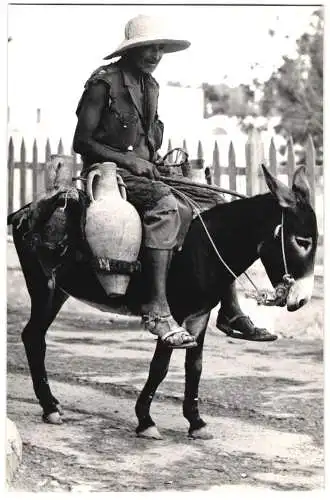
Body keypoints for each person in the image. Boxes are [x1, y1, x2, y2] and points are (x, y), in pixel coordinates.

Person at [73, 14, 277, 347]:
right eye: (147, 48)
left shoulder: (149, 85)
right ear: (131, 50)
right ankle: (156, 308)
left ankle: (230, 309)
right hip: (108, 174)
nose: (154, 56)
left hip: (143, 171)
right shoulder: (103, 84)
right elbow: (80, 142)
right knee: (166, 207)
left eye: (159, 49)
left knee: (213, 204)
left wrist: (155, 163)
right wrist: (129, 160)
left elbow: (145, 141)